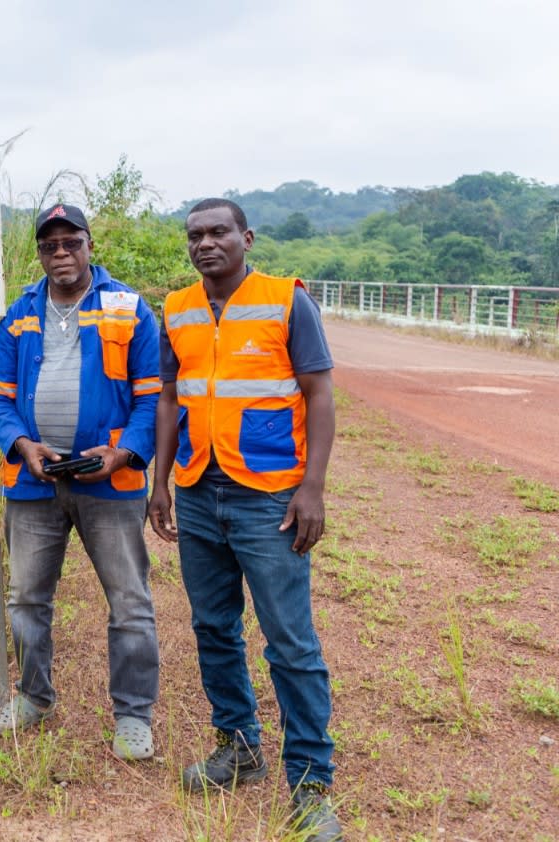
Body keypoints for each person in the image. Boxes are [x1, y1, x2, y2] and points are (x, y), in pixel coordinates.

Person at [148, 198, 341, 840]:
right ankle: (239, 746)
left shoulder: (287, 301)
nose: (205, 243)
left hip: (269, 498)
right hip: (198, 489)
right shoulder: (176, 308)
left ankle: (310, 784)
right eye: (194, 235)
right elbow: (170, 398)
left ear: (246, 238)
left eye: (218, 232)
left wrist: (312, 487)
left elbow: (319, 393)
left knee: (290, 641)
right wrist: (160, 484)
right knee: (213, 626)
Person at [0, 202, 161, 761]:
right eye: (49, 245)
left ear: (89, 246)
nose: (60, 253)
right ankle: (34, 697)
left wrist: (124, 453)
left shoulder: (128, 309)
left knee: (129, 601)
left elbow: (153, 399)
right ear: (39, 253)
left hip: (110, 482)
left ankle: (133, 716)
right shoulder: (20, 314)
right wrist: (22, 444)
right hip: (34, 484)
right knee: (26, 599)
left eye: (71, 243)